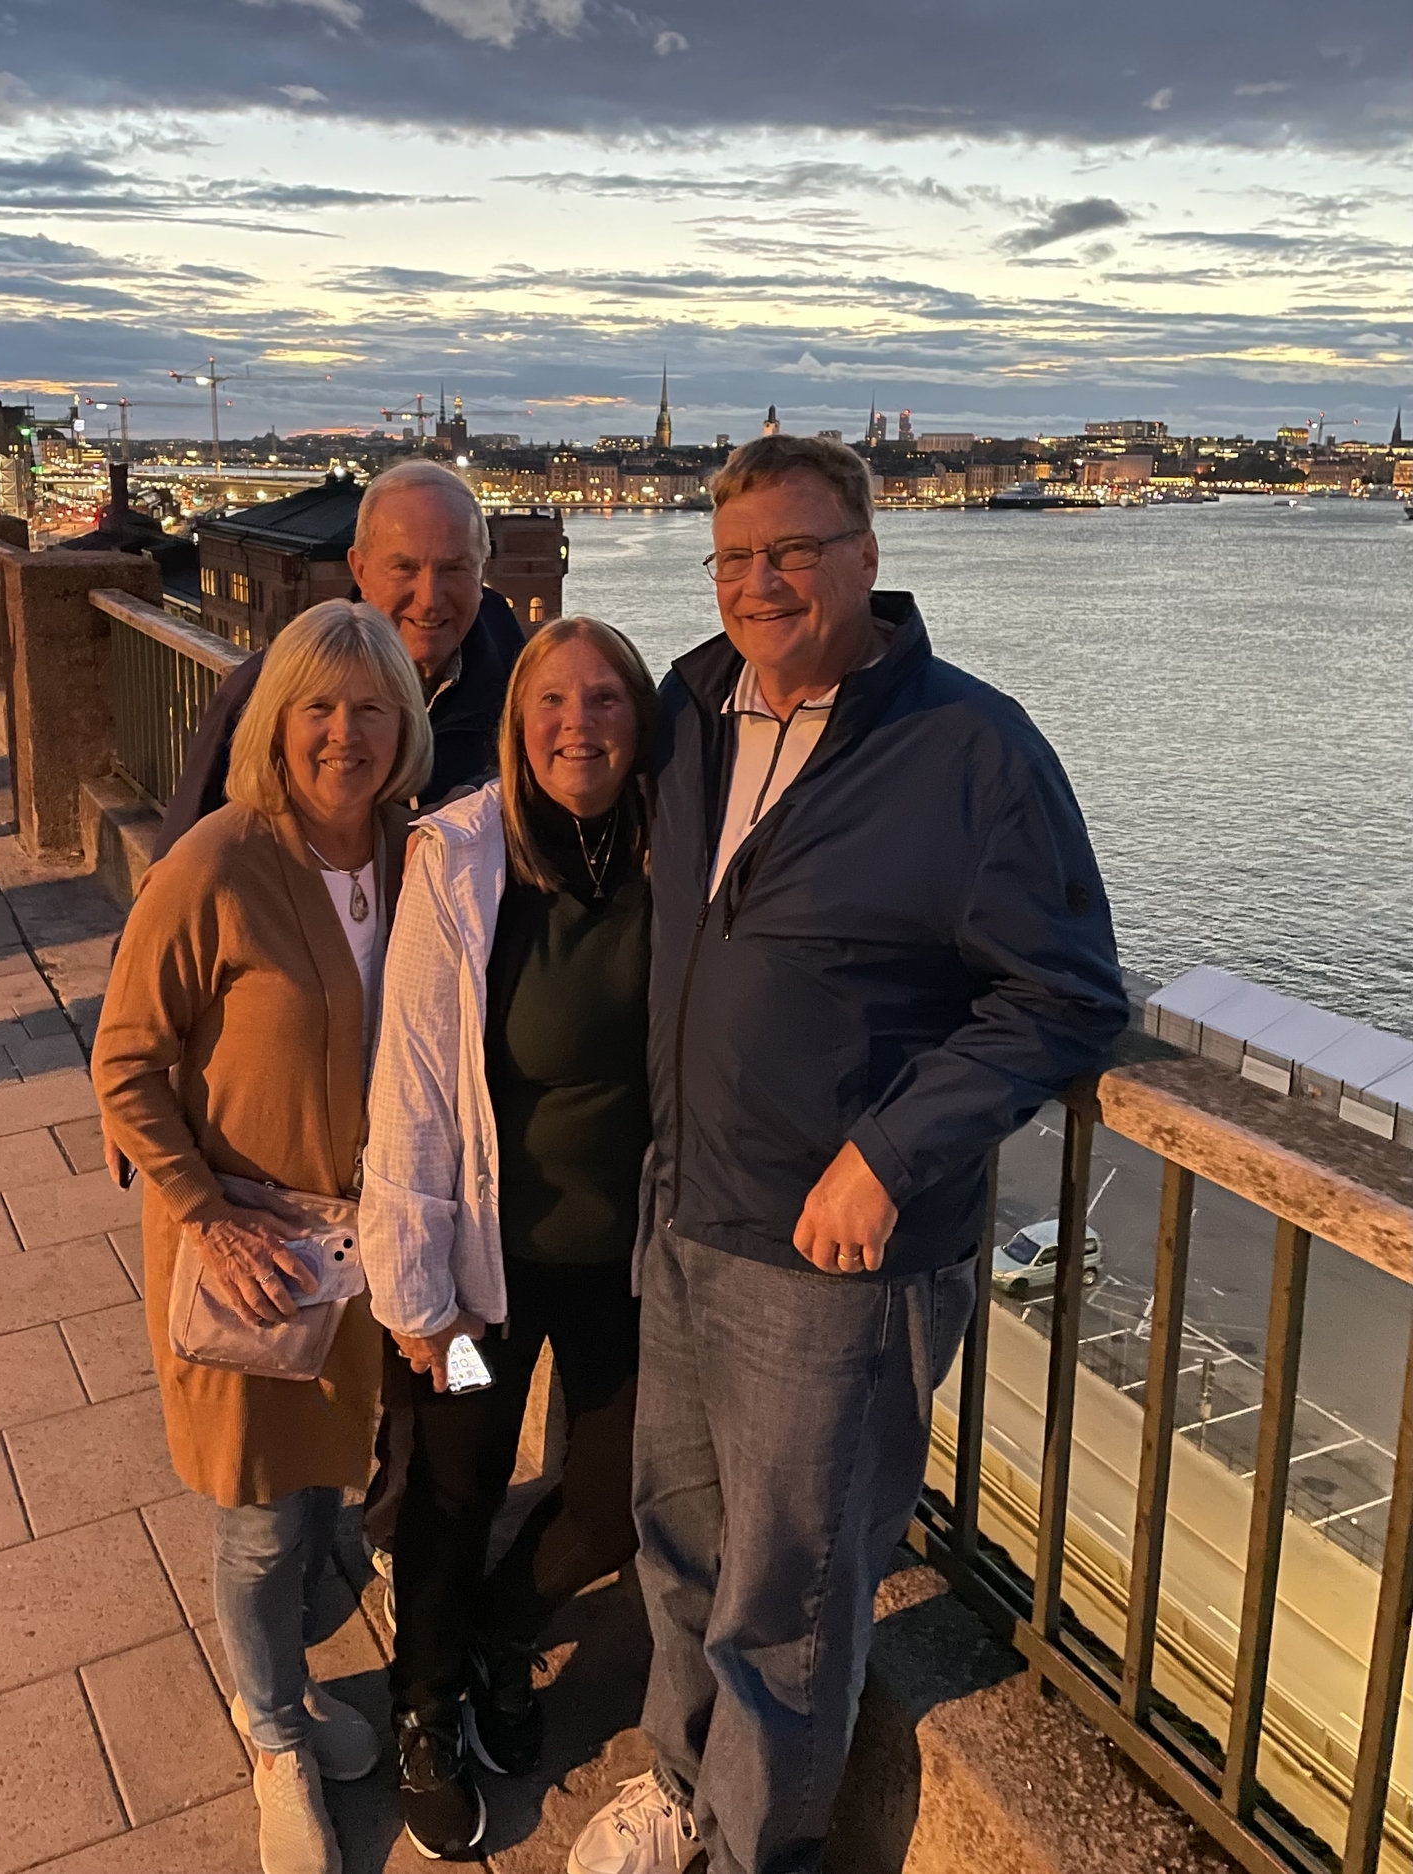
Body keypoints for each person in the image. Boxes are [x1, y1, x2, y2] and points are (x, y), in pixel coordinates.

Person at [568, 435, 1129, 1874]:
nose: (761, 582)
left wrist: (888, 1151)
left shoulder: (973, 752)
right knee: (679, 1543)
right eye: (734, 557)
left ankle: (756, 1846)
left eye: (794, 551)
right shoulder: (694, 705)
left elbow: (1064, 995)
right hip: (688, 1208)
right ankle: (680, 1788)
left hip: (834, 1261)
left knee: (792, 1601)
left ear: (869, 559)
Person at [92, 601, 433, 1874]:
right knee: (257, 1520)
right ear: (277, 724)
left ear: (405, 725)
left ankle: (282, 1686)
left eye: (371, 708)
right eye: (318, 708)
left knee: (328, 1484)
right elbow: (124, 1060)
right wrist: (204, 1211)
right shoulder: (218, 863)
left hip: (358, 1252)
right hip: (244, 1251)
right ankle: (276, 1734)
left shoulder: (415, 853)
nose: (345, 733)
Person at [358, 616, 657, 1861]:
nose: (578, 723)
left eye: (606, 698)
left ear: (642, 721)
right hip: (487, 1274)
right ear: (518, 723)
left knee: (619, 1495)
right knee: (456, 1475)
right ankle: (424, 1708)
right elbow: (414, 1080)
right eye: (551, 700)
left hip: (624, 1270)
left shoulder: (678, 850)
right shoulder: (465, 858)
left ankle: (499, 1627)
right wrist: (419, 1296)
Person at [154, 458, 525, 856]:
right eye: (404, 567)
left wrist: (482, 799)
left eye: (454, 568)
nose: (430, 598)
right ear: (360, 571)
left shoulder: (518, 674)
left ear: (482, 569)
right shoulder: (271, 688)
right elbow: (180, 863)